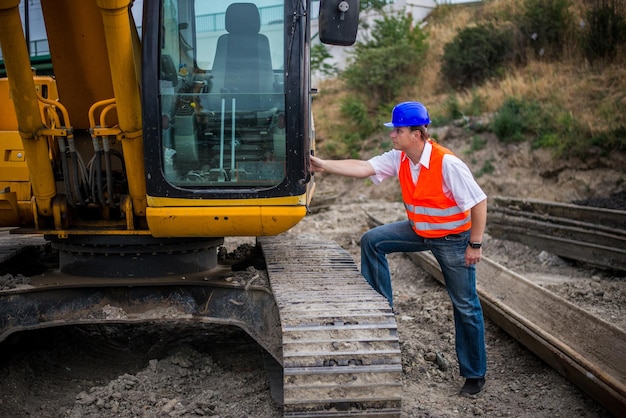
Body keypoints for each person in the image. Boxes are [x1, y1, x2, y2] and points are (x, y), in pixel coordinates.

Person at [309, 101, 488, 396]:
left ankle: (474, 374)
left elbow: (479, 202)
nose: (392, 135)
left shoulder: (447, 163)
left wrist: (475, 244)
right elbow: (364, 167)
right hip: (420, 231)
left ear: (417, 134)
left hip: (453, 240)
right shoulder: (401, 158)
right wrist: (324, 164)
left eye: (398, 130)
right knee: (373, 240)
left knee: (465, 305)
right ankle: (382, 309)